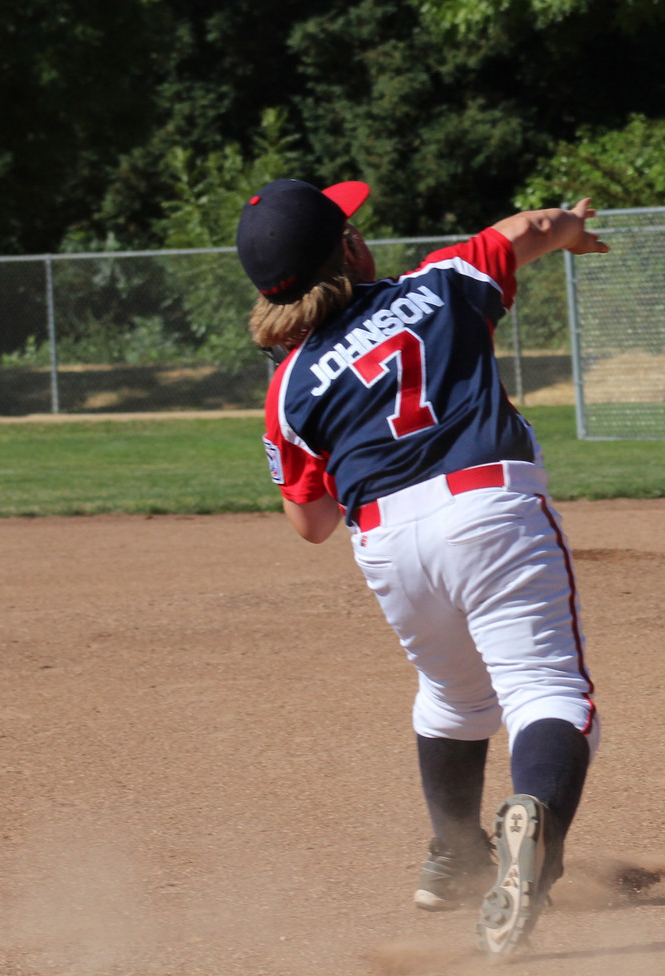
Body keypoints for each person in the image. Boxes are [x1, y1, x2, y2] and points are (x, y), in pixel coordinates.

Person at [235, 178, 609, 956]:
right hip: (491, 506)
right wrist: (570, 229)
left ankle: (455, 857)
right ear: (350, 250)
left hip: (389, 542)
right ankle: (535, 828)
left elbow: (311, 524)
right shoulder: (439, 283)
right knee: (548, 692)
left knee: (453, 696)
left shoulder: (288, 387)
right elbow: (530, 227)